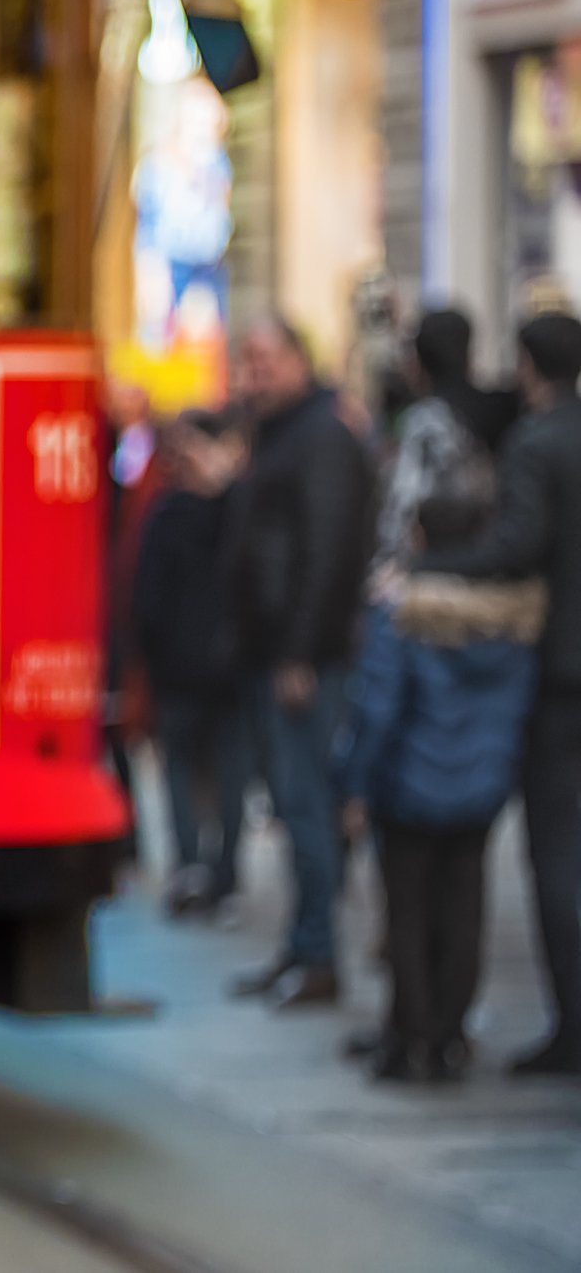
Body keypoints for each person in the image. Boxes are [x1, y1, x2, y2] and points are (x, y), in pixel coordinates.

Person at [417, 312, 581, 1077]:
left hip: (560, 674)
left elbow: (515, 544)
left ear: (525, 364)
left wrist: (433, 569)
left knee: (556, 854)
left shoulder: (537, 442)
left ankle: (573, 1023)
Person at [340, 492, 542, 1083]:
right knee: (463, 908)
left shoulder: (400, 610)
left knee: (406, 912)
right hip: (480, 784)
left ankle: (412, 1035)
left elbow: (377, 707)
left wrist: (354, 782)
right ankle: (452, 1032)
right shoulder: (511, 615)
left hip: (407, 782)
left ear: (421, 535)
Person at [226, 317, 375, 1009]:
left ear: (298, 359)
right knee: (292, 805)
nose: (253, 374)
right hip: (275, 648)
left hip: (305, 657)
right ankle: (300, 945)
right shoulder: (284, 432)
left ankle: (316, 952)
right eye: (245, 360)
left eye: (265, 359)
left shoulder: (321, 435)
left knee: (308, 803)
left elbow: (326, 550)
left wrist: (298, 650)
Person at [134, 409, 250, 915]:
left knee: (221, 772)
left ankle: (210, 870)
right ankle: (201, 868)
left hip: (215, 672)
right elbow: (147, 599)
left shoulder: (230, 512)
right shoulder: (181, 514)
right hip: (195, 671)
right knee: (198, 769)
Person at [371, 310, 496, 583]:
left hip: (435, 577)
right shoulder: (498, 408)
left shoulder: (426, 420)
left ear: (417, 362)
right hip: (488, 569)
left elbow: (401, 511)